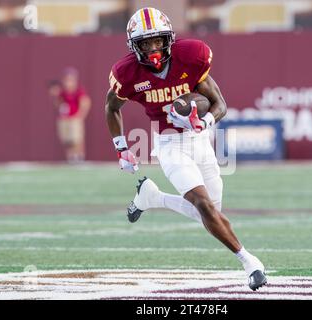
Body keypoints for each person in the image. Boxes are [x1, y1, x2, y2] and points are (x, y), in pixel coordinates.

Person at [105, 7, 267, 291]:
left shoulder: (191, 57)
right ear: (135, 47)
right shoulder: (127, 73)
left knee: (211, 212)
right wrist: (121, 147)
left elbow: (220, 105)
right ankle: (250, 262)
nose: (153, 48)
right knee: (204, 206)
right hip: (169, 144)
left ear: (168, 39)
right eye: (145, 43)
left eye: (157, 41)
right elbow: (111, 107)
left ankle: (151, 198)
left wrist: (204, 121)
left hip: (199, 141)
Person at [49, 67, 91, 163]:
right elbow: (58, 105)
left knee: (76, 139)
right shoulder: (62, 92)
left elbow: (85, 103)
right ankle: (71, 157)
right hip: (64, 118)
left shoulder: (78, 91)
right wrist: (55, 95)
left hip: (74, 118)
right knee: (67, 140)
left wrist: (80, 115)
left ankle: (79, 157)